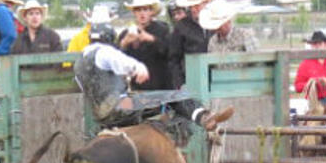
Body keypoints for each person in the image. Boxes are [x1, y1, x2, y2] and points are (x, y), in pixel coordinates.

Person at [73, 42, 234, 133]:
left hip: (100, 118)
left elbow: (87, 91)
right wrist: (137, 68)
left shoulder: (78, 66)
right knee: (172, 97)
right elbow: (121, 62)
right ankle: (203, 118)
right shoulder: (103, 52)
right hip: (123, 105)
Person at [118, 0, 171, 90]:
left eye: (145, 9)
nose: (142, 13)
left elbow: (170, 52)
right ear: (134, 12)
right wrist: (124, 43)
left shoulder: (162, 30)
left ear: (151, 11)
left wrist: (152, 39)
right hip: (135, 88)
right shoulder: (126, 34)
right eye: (138, 10)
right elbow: (117, 60)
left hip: (160, 87)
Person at [167, 0, 214, 89]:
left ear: (205, 4)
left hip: (216, 79)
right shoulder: (181, 27)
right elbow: (173, 59)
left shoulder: (215, 23)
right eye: (191, 6)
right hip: (191, 81)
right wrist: (180, 84)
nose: (194, 9)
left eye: (197, 5)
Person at [10, 0, 62, 66]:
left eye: (37, 13)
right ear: (25, 17)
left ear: (41, 16)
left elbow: (58, 61)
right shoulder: (18, 40)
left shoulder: (53, 36)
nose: (35, 17)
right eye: (31, 14)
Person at [294, 31, 326, 107]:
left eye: (320, 44)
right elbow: (298, 87)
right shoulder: (305, 64)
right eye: (314, 44)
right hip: (316, 102)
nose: (317, 46)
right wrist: (312, 84)